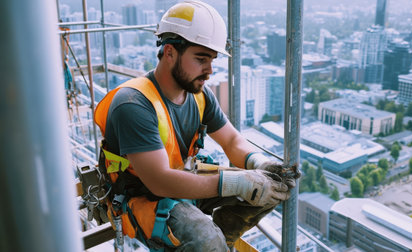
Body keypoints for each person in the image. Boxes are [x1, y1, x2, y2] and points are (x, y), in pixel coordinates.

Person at [94, 1, 298, 251]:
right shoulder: (133, 104)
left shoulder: (199, 95)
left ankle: (224, 237)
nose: (210, 70)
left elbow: (232, 141)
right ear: (169, 52)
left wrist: (261, 164)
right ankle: (212, 244)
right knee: (205, 238)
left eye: (211, 59)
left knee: (273, 184)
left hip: (182, 180)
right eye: (201, 59)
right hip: (141, 197)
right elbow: (159, 181)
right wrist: (237, 183)